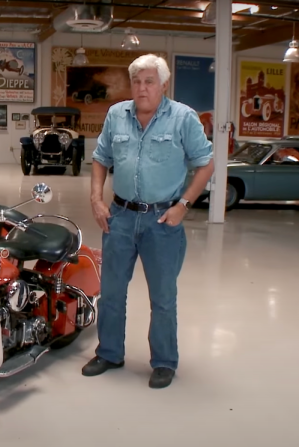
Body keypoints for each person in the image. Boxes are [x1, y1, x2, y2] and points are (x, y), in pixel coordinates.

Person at [81, 54, 214, 389]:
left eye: (150, 82)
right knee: (111, 293)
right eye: (137, 81)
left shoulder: (183, 118)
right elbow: (100, 159)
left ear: (163, 85)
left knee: (163, 298)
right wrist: (96, 199)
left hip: (163, 221)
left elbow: (206, 163)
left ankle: (164, 361)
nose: (142, 88)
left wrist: (184, 205)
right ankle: (109, 353)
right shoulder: (116, 115)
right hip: (120, 218)